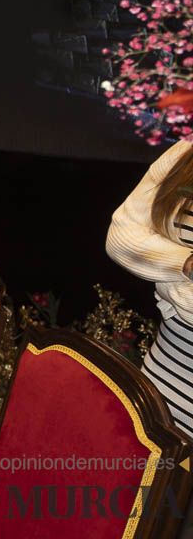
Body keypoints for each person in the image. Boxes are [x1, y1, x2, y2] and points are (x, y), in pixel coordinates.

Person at [107, 139, 193, 437]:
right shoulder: (186, 153)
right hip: (163, 379)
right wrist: (186, 263)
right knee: (149, 482)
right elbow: (122, 235)